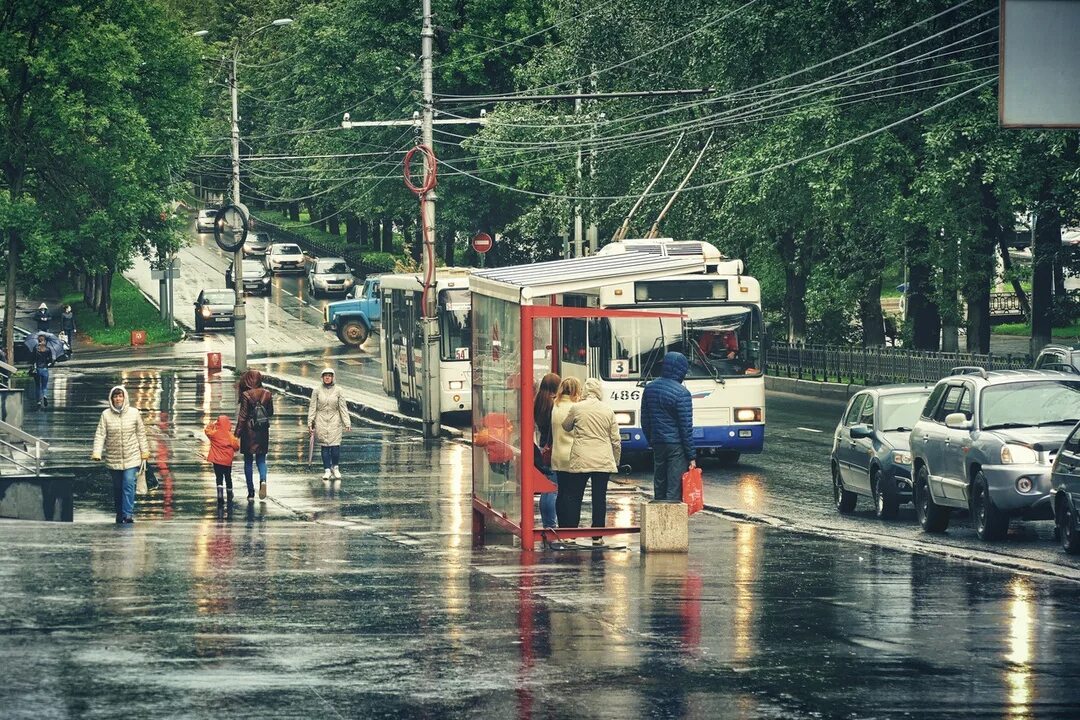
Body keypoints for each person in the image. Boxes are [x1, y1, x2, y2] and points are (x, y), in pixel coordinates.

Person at [560, 377, 621, 545]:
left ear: (585, 391)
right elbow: (616, 439)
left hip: (581, 458)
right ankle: (597, 535)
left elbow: (566, 426)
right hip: (603, 460)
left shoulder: (577, 408)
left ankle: (572, 534)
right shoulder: (608, 410)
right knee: (599, 497)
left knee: (575, 496)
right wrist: (615, 460)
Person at [640, 352, 696, 503]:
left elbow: (645, 420)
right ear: (681, 370)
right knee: (674, 486)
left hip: (658, 442)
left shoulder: (649, 389)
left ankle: (657, 518)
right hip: (676, 445)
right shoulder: (682, 393)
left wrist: (652, 440)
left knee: (660, 481)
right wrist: (691, 456)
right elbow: (686, 428)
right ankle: (671, 522)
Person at [91, 385, 149, 524]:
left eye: (120, 396)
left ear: (125, 397)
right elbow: (100, 434)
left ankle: (127, 514)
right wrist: (97, 452)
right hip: (113, 457)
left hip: (132, 456)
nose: (118, 399)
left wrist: (144, 451)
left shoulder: (134, 413)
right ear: (112, 399)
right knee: (118, 488)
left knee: (128, 483)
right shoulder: (106, 415)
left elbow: (141, 433)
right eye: (115, 396)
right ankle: (119, 512)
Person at [236, 369, 274, 500]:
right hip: (262, 430)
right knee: (261, 460)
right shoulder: (267, 393)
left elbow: (243, 416)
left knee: (248, 461)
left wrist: (237, 433)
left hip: (249, 431)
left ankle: (251, 492)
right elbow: (270, 412)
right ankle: (263, 480)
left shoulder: (246, 395)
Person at [308, 368, 350, 480]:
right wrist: (310, 422)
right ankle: (327, 469)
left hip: (335, 421)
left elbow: (343, 407)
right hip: (320, 420)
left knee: (335, 447)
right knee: (325, 447)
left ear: (333, 377)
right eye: (325, 375)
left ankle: (335, 467)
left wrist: (347, 422)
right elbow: (312, 407)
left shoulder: (339, 390)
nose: (327, 377)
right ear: (322, 378)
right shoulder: (316, 391)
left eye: (329, 376)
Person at [551, 377, 581, 528]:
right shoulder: (574, 408)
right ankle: (571, 528)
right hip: (571, 455)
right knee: (572, 494)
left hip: (557, 455)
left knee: (561, 493)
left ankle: (562, 526)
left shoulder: (555, 406)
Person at [533, 372, 561, 530]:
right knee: (552, 489)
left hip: (542, 447)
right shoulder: (553, 405)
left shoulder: (538, 402)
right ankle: (550, 524)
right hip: (551, 448)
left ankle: (547, 523)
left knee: (547, 489)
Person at [205, 414, 240, 503]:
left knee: (219, 477)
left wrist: (212, 424)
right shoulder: (230, 436)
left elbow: (207, 431)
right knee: (228, 477)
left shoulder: (214, 434)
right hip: (227, 461)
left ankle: (220, 493)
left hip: (217, 460)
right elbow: (236, 447)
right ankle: (229, 492)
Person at [31, 334, 54, 409]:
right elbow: (51, 360)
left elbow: (33, 359)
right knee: (44, 386)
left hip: (37, 369)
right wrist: (48, 363)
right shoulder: (48, 349)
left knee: (38, 386)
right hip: (45, 369)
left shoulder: (35, 349)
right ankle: (45, 395)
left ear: (38, 340)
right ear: (45, 341)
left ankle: (38, 401)